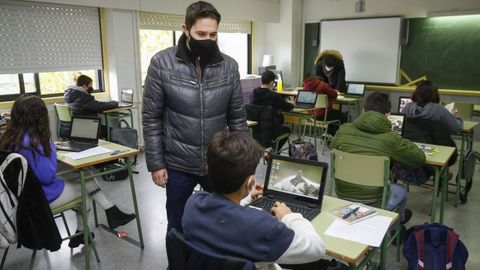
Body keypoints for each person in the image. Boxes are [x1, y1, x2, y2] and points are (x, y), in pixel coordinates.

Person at [142, 1, 247, 233]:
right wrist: (156, 163)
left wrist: (243, 164)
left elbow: (238, 118)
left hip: (218, 162)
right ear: (185, 29)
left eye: (213, 34)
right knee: (177, 227)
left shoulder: (229, 66)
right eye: (201, 33)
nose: (208, 39)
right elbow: (151, 117)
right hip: (178, 163)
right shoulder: (162, 63)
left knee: (222, 224)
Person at [0, 95, 136, 248]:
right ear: (39, 117)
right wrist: (50, 147)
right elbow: (47, 177)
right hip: (38, 200)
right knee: (85, 185)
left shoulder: (12, 138)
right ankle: (91, 225)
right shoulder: (33, 143)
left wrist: (48, 145)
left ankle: (103, 217)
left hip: (21, 197)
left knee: (80, 174)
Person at [182, 131, 325, 270]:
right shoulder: (261, 227)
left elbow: (223, 216)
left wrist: (247, 198)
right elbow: (316, 248)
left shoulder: (193, 204)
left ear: (208, 170)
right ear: (250, 182)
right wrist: (289, 216)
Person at [331, 92, 426, 225]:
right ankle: (396, 228)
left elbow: (333, 148)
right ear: (388, 114)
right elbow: (419, 159)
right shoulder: (391, 139)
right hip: (374, 200)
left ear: (363, 110)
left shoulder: (344, 130)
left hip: (341, 195)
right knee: (401, 191)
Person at [401, 80, 462, 167]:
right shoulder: (440, 110)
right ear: (435, 94)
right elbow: (456, 129)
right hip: (434, 152)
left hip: (409, 151)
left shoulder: (407, 107)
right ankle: (441, 175)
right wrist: (456, 117)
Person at [250, 70, 294, 149]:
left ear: (261, 81)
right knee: (287, 129)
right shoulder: (273, 95)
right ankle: (273, 152)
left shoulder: (252, 94)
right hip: (271, 130)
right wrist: (292, 104)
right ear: (271, 83)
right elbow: (287, 107)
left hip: (255, 131)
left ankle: (270, 153)